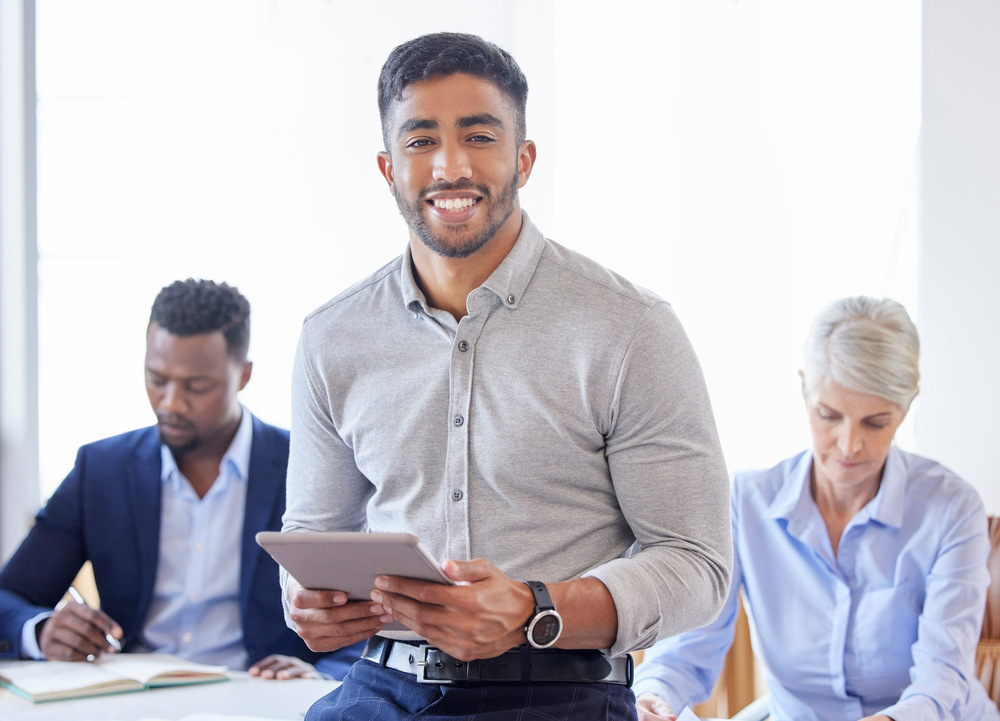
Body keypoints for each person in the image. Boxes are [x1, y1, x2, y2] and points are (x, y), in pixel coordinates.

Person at [280, 31, 732, 721]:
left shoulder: (631, 327)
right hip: (380, 690)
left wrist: (533, 608)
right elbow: (310, 541)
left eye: (479, 136)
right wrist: (307, 604)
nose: (450, 166)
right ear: (387, 166)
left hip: (562, 693)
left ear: (523, 158)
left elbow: (697, 565)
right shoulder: (330, 338)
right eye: (421, 140)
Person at [634, 296, 1000, 721]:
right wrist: (653, 697)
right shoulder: (746, 503)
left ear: (907, 407)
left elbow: (941, 680)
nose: (849, 445)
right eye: (829, 415)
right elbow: (685, 649)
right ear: (804, 388)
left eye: (876, 423)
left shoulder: (952, 509)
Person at [0, 278, 362, 680]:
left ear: (243, 375)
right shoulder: (101, 470)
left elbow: (368, 618)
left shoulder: (308, 465)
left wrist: (322, 675)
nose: (170, 402)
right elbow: (10, 596)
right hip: (130, 695)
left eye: (197, 386)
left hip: (258, 698)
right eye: (156, 379)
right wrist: (41, 629)